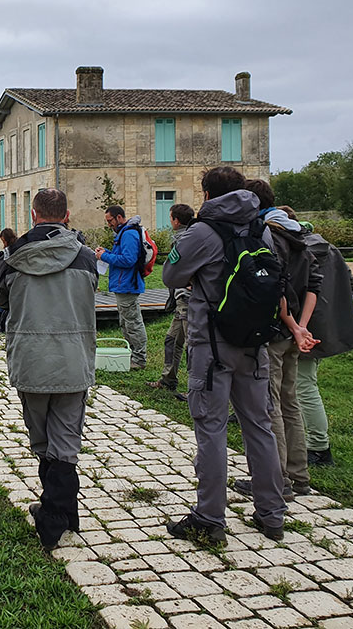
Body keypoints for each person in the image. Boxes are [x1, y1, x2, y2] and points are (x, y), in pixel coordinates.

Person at [162, 167, 288, 543]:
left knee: (211, 429)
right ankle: (272, 514)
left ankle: (210, 518)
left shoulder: (202, 231)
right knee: (259, 426)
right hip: (254, 342)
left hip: (212, 345)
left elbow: (170, 275)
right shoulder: (260, 228)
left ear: (206, 194)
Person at [0, 189, 97, 551]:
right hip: (73, 357)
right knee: (66, 441)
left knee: (42, 440)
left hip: (31, 357)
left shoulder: (11, 259)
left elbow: (2, 302)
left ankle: (53, 518)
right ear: (66, 215)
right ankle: (64, 510)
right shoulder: (85, 258)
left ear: (34, 215)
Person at [232, 180, 320, 503]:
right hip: (296, 334)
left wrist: (293, 325)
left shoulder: (269, 235)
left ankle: (277, 478)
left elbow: (275, 288)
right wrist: (303, 328)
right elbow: (314, 285)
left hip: (275, 331)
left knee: (270, 407)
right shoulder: (300, 235)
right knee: (290, 402)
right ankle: (300, 476)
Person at [276, 207, 353, 468]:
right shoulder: (327, 246)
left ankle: (318, 446)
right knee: (300, 383)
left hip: (300, 326)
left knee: (303, 386)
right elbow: (351, 284)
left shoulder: (296, 250)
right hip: (322, 323)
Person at [95, 205, 147, 370]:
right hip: (122, 285)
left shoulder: (129, 234)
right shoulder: (123, 233)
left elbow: (128, 260)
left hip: (128, 285)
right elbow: (122, 256)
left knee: (133, 323)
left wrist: (104, 256)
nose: (109, 224)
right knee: (126, 322)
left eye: (110, 220)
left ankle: (139, 359)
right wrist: (107, 252)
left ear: (119, 217)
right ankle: (133, 355)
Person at [149, 204, 194, 396]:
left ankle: (195, 389)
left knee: (192, 345)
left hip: (187, 299)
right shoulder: (188, 237)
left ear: (176, 220)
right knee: (171, 339)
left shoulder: (185, 240)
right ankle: (168, 378)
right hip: (180, 299)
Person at [0, 228, 18, 331]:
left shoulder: (10, 252)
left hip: (7, 281)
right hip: (4, 281)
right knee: (3, 305)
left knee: (4, 305)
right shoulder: (4, 253)